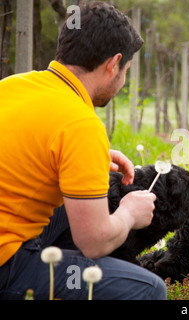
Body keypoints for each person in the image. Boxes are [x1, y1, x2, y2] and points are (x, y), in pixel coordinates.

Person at [0, 2, 166, 300]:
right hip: (5, 265)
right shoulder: (82, 123)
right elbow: (94, 242)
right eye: (125, 71)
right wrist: (129, 214)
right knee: (150, 289)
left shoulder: (12, 86)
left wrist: (88, 160)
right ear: (113, 64)